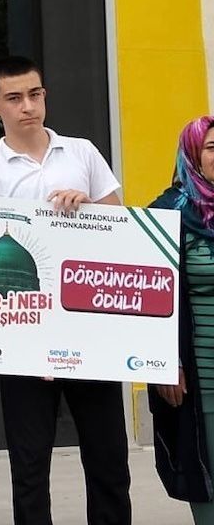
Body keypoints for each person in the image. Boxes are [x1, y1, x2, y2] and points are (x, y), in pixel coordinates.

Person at [0, 55, 130, 525]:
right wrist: (25, 345)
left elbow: (120, 230)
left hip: (88, 331)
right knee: (30, 469)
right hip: (24, 342)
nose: (27, 107)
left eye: (34, 94)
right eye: (14, 98)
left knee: (108, 461)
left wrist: (90, 208)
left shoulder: (81, 153)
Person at [150, 115, 214, 522]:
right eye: (211, 148)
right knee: (206, 485)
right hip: (201, 379)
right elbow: (149, 297)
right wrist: (163, 361)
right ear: (191, 156)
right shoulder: (168, 214)